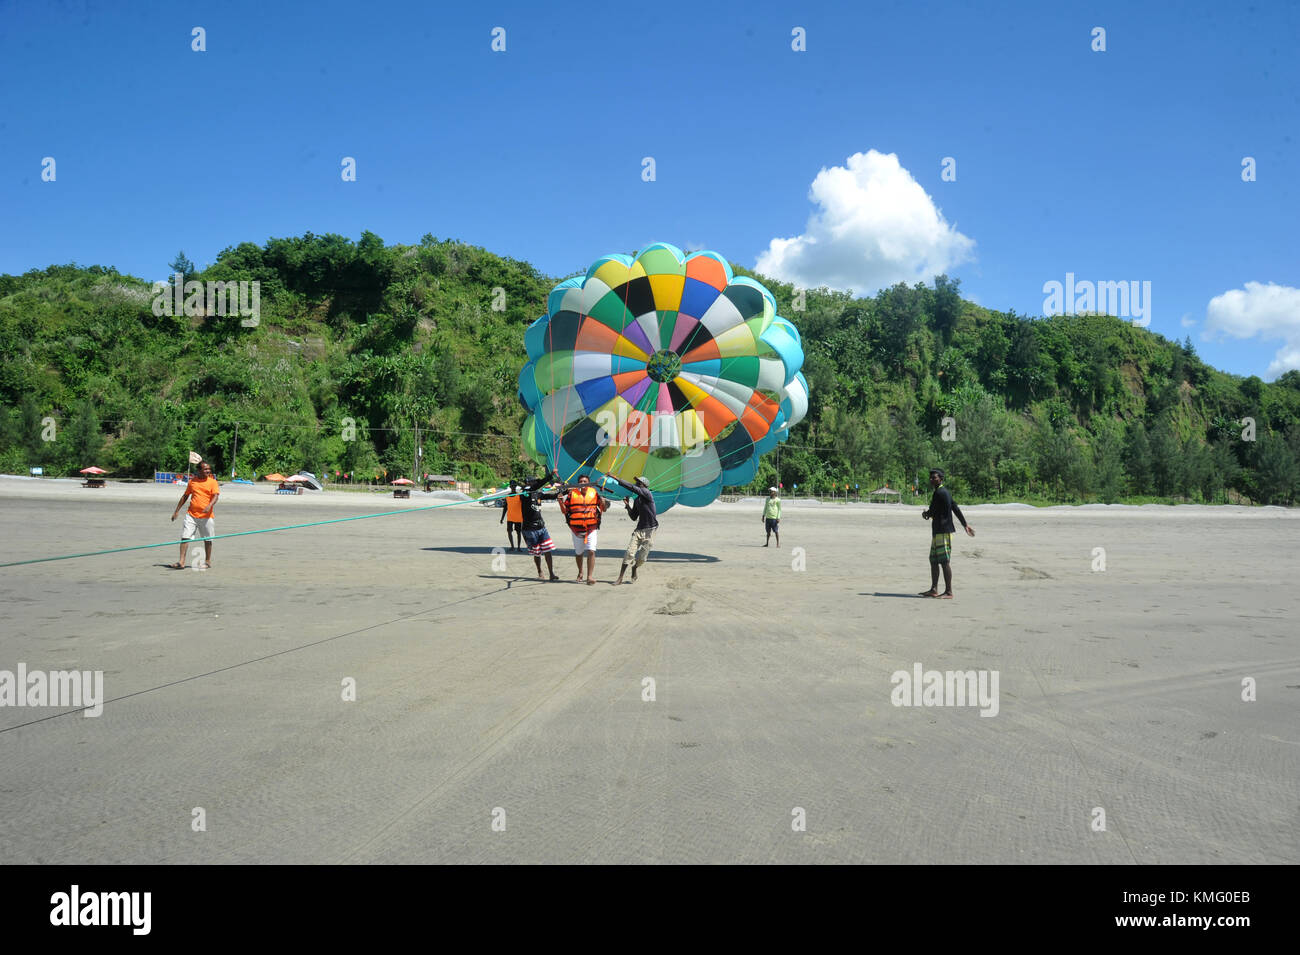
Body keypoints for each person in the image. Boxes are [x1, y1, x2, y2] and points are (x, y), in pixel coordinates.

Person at [919, 468, 974, 599]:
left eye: (935, 478)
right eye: (931, 478)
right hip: (938, 531)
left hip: (943, 531)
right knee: (933, 560)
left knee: (944, 561)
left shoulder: (941, 492)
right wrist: (965, 524)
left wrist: (926, 514)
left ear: (941, 479)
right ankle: (934, 589)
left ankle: (949, 591)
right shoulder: (941, 492)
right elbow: (954, 507)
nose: (932, 480)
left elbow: (934, 511)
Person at [559, 473, 609, 585]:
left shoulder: (594, 493)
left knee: (591, 550)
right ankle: (580, 572)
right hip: (576, 529)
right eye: (581, 481)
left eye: (585, 481)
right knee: (579, 553)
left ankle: (589, 576)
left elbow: (603, 509)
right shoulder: (572, 494)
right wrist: (560, 501)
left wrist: (604, 503)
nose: (583, 483)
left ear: (589, 483)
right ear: (578, 484)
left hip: (591, 527)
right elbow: (564, 511)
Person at [608, 475, 657, 585]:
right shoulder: (637, 500)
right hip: (639, 530)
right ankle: (620, 578)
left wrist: (615, 478)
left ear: (644, 486)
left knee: (642, 558)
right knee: (629, 553)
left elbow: (632, 488)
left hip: (650, 531)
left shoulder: (647, 494)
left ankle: (635, 567)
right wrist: (627, 506)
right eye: (636, 483)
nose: (636, 484)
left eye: (638, 483)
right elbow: (634, 517)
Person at [170, 460, 220, 569]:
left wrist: (209, 506)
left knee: (208, 539)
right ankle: (181, 562)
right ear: (199, 470)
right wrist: (176, 511)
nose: (208, 471)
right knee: (185, 537)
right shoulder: (192, 482)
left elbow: (216, 496)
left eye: (209, 469)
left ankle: (207, 561)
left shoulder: (212, 482)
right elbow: (185, 496)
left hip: (206, 517)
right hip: (191, 515)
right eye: (205, 469)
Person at [518, 469, 560, 581]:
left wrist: (564, 492)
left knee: (548, 550)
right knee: (537, 553)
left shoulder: (536, 493)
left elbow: (551, 496)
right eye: (534, 482)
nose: (536, 484)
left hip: (541, 527)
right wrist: (549, 475)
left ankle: (551, 573)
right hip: (530, 529)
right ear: (529, 483)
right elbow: (535, 487)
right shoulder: (524, 494)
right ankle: (540, 571)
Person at [500, 480, 523, 551]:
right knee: (509, 531)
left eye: (514, 486)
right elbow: (505, 508)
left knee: (518, 533)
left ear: (516, 487)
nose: (513, 487)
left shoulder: (519, 496)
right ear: (510, 487)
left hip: (518, 518)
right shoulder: (507, 496)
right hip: (510, 517)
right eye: (512, 486)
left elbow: (524, 507)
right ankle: (512, 546)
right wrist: (502, 518)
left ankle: (519, 547)